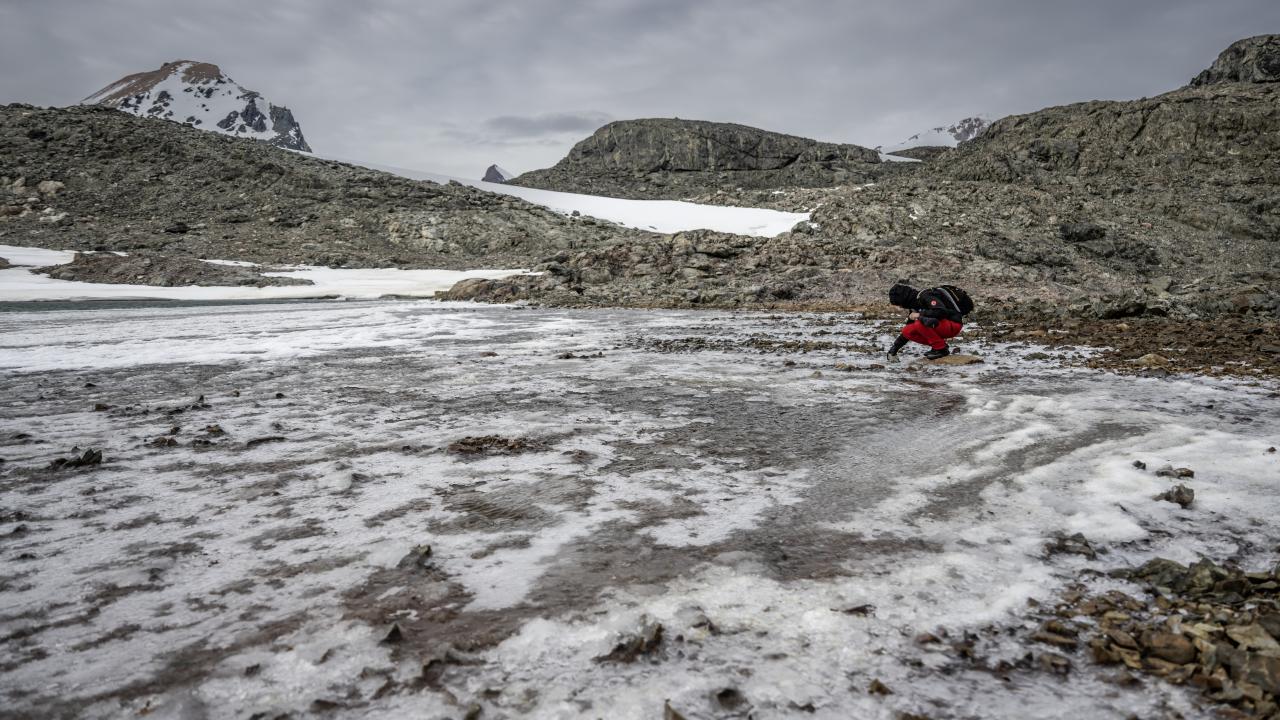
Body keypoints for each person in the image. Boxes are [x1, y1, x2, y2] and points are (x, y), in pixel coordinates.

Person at [886, 282, 971, 361]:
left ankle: (940, 349)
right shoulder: (914, 306)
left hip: (953, 324)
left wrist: (920, 315)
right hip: (940, 325)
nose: (900, 307)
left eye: (899, 304)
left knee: (919, 323)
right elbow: (908, 329)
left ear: (903, 300)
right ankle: (940, 346)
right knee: (907, 331)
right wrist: (894, 348)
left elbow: (941, 311)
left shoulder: (926, 296)